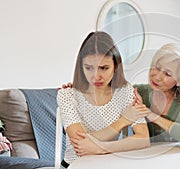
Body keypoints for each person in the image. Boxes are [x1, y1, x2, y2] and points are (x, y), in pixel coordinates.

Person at [62, 43, 180, 149]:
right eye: (156, 68)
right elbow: (109, 90)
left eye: (167, 74)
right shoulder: (139, 92)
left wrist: (153, 116)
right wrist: (78, 89)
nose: (157, 76)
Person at [57, 31, 150, 168]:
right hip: (74, 165)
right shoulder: (67, 95)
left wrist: (101, 148)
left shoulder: (125, 92)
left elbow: (143, 139)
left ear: (115, 66)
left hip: (109, 164)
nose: (96, 76)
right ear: (81, 67)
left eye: (104, 68)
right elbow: (80, 142)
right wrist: (124, 120)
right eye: (88, 68)